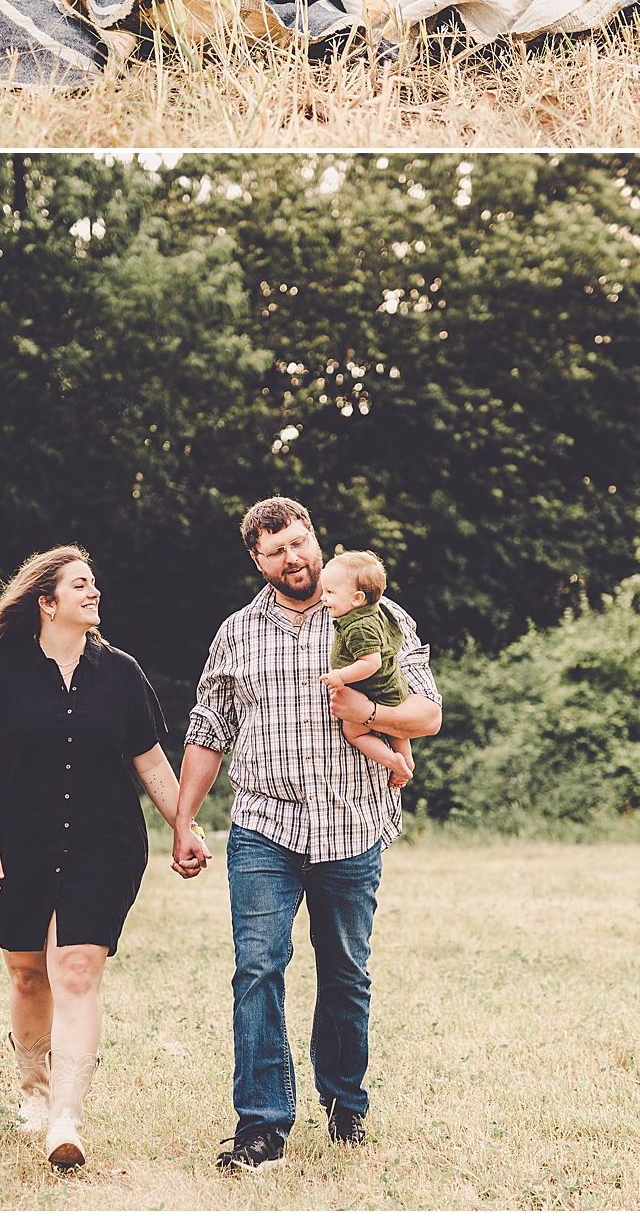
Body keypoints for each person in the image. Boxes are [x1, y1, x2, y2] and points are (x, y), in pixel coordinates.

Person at [173, 496, 442, 1171]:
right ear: (257, 561)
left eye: (299, 542)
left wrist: (371, 708)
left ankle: (345, 1101)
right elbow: (210, 730)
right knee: (257, 968)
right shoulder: (236, 631)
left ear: (315, 539)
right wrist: (182, 817)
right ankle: (262, 1125)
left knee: (346, 972)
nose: (292, 557)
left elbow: (427, 711)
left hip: (351, 824)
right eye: (275, 550)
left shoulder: (376, 613)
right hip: (265, 825)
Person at [0, 545, 201, 1170]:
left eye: (94, 583)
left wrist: (184, 826)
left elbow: (151, 764)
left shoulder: (120, 672)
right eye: (80, 585)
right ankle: (33, 1093)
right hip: (17, 842)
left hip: (104, 842)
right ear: (47, 602)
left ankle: (65, 1117)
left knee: (79, 970)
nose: (94, 593)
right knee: (28, 974)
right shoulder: (2, 672)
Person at [319, 550, 415, 789]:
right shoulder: (377, 610)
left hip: (374, 690)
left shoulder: (358, 627)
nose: (323, 598)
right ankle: (407, 762)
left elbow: (371, 663)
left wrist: (340, 676)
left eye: (330, 592)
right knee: (398, 733)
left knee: (355, 733)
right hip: (391, 687)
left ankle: (392, 760)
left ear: (357, 598)